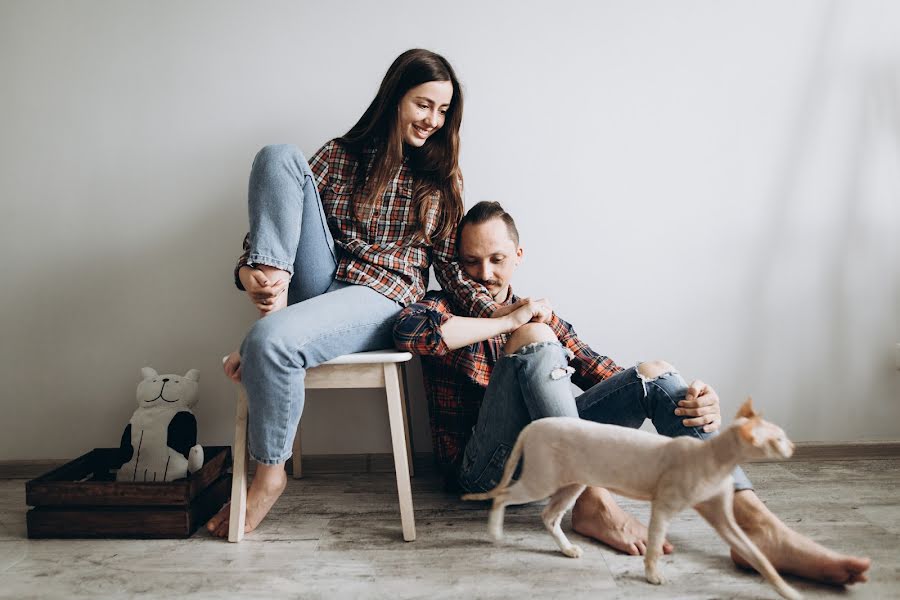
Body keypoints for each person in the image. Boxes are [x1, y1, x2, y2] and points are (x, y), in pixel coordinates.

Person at [393, 201, 870, 585]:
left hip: (550, 455)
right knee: (536, 339)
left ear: (518, 256)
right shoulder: (444, 309)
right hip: (484, 471)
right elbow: (407, 332)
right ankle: (592, 501)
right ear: (455, 265)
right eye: (471, 261)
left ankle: (756, 527)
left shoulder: (540, 312)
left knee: (654, 374)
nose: (485, 272)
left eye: (496, 259)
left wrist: (691, 397)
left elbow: (610, 376)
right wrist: (511, 322)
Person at [206, 49, 496, 538]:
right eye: (424, 104)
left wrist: (506, 311)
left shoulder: (438, 179)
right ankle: (271, 299)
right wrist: (246, 272)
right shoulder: (341, 155)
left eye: (443, 111)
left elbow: (452, 271)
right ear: (394, 98)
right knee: (277, 156)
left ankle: (268, 471)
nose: (433, 120)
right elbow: (284, 217)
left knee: (269, 344)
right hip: (319, 280)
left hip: (381, 296)